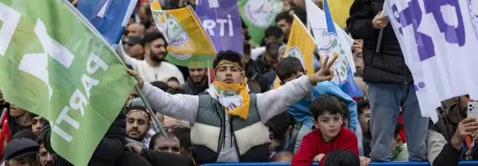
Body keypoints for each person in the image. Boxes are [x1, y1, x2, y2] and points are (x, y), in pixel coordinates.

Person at [128, 50, 339, 163]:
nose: (228, 73)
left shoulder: (258, 102)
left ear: (242, 75)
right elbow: (167, 102)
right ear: (215, 75)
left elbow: (284, 93)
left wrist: (311, 79)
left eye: (234, 69)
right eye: (223, 69)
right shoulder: (199, 102)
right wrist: (143, 86)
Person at [347, 0, 431, 162]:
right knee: (381, 147)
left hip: (419, 75)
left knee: (418, 148)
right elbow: (354, 25)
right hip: (383, 74)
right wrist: (372, 24)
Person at [276, 57, 361, 154]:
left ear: (306, 73)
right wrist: (318, 124)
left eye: (299, 78)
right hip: (315, 123)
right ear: (282, 85)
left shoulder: (323, 86)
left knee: (356, 139)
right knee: (302, 138)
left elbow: (350, 103)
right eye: (291, 83)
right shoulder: (288, 102)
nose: (298, 84)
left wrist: (351, 128)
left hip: (344, 118)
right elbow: (305, 118)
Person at [427, 95, 478, 166]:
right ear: (458, 97)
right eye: (468, 96)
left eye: (477, 95)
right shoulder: (439, 123)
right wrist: (455, 142)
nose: (473, 100)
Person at [291, 95, 359, 166]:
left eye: (336, 119)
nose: (332, 124)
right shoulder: (310, 139)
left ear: (341, 119)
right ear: (316, 123)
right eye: (325, 120)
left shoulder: (349, 137)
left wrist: (323, 159)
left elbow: (348, 163)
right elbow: (298, 163)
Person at [117, 32, 185, 84]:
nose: (163, 50)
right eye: (158, 46)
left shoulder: (173, 70)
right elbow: (121, 55)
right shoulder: (137, 66)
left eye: (164, 46)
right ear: (147, 49)